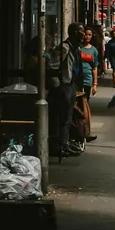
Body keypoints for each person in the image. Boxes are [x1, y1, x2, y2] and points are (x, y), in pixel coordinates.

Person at [47, 22, 85, 159]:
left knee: (68, 118)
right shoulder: (64, 48)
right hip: (63, 86)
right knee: (61, 117)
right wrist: (58, 87)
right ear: (75, 33)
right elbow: (52, 66)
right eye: (81, 31)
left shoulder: (76, 48)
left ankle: (65, 144)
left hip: (70, 85)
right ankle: (58, 146)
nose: (84, 34)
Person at [79, 28, 99, 142]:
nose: (87, 37)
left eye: (89, 35)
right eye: (85, 34)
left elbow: (95, 68)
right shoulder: (78, 48)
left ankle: (86, 129)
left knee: (85, 104)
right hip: (77, 80)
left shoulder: (93, 51)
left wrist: (95, 84)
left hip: (87, 79)